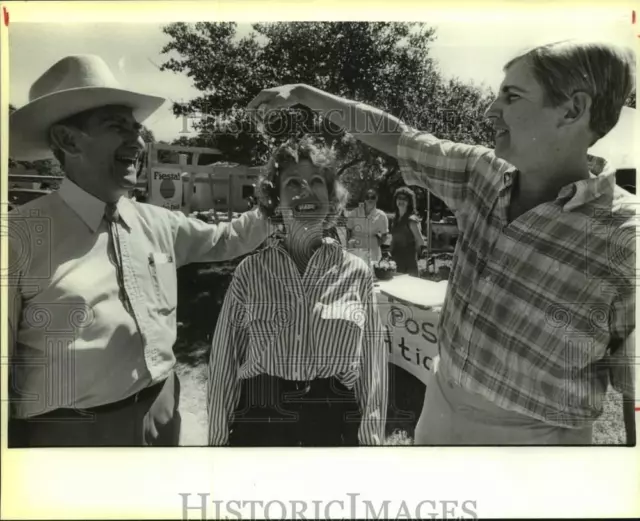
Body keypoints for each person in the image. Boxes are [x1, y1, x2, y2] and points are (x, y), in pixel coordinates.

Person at [248, 39, 637, 445]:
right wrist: (304, 94)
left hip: (537, 446)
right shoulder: (481, 172)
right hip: (439, 406)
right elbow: (395, 135)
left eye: (512, 95)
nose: (491, 110)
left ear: (572, 109)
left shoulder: (625, 234)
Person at [7, 54, 271, 447]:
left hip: (163, 411)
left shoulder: (157, 222)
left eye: (138, 128)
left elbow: (227, 239)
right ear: (67, 140)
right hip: (70, 437)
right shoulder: (17, 237)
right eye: (117, 127)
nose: (139, 140)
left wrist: (279, 198)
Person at [207, 137, 388, 446]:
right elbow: (223, 364)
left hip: (334, 425)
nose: (306, 191)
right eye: (292, 184)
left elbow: (373, 367)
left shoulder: (357, 273)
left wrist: (371, 442)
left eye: (316, 182)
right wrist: (217, 446)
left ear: (331, 198)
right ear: (275, 200)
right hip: (262, 423)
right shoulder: (250, 273)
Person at [346, 188, 389, 265]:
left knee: (372, 272)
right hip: (355, 247)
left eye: (373, 197)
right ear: (364, 199)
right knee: (356, 270)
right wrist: (349, 245)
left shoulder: (382, 216)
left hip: (373, 249)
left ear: (376, 198)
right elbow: (348, 230)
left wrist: (375, 243)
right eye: (367, 197)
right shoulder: (354, 212)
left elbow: (384, 235)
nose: (370, 199)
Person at [389, 186, 425, 277]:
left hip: (409, 263)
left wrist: (413, 255)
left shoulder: (411, 220)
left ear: (409, 202)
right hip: (395, 260)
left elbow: (420, 241)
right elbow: (394, 238)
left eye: (404, 199)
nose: (401, 201)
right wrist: (389, 252)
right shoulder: (395, 219)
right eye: (399, 198)